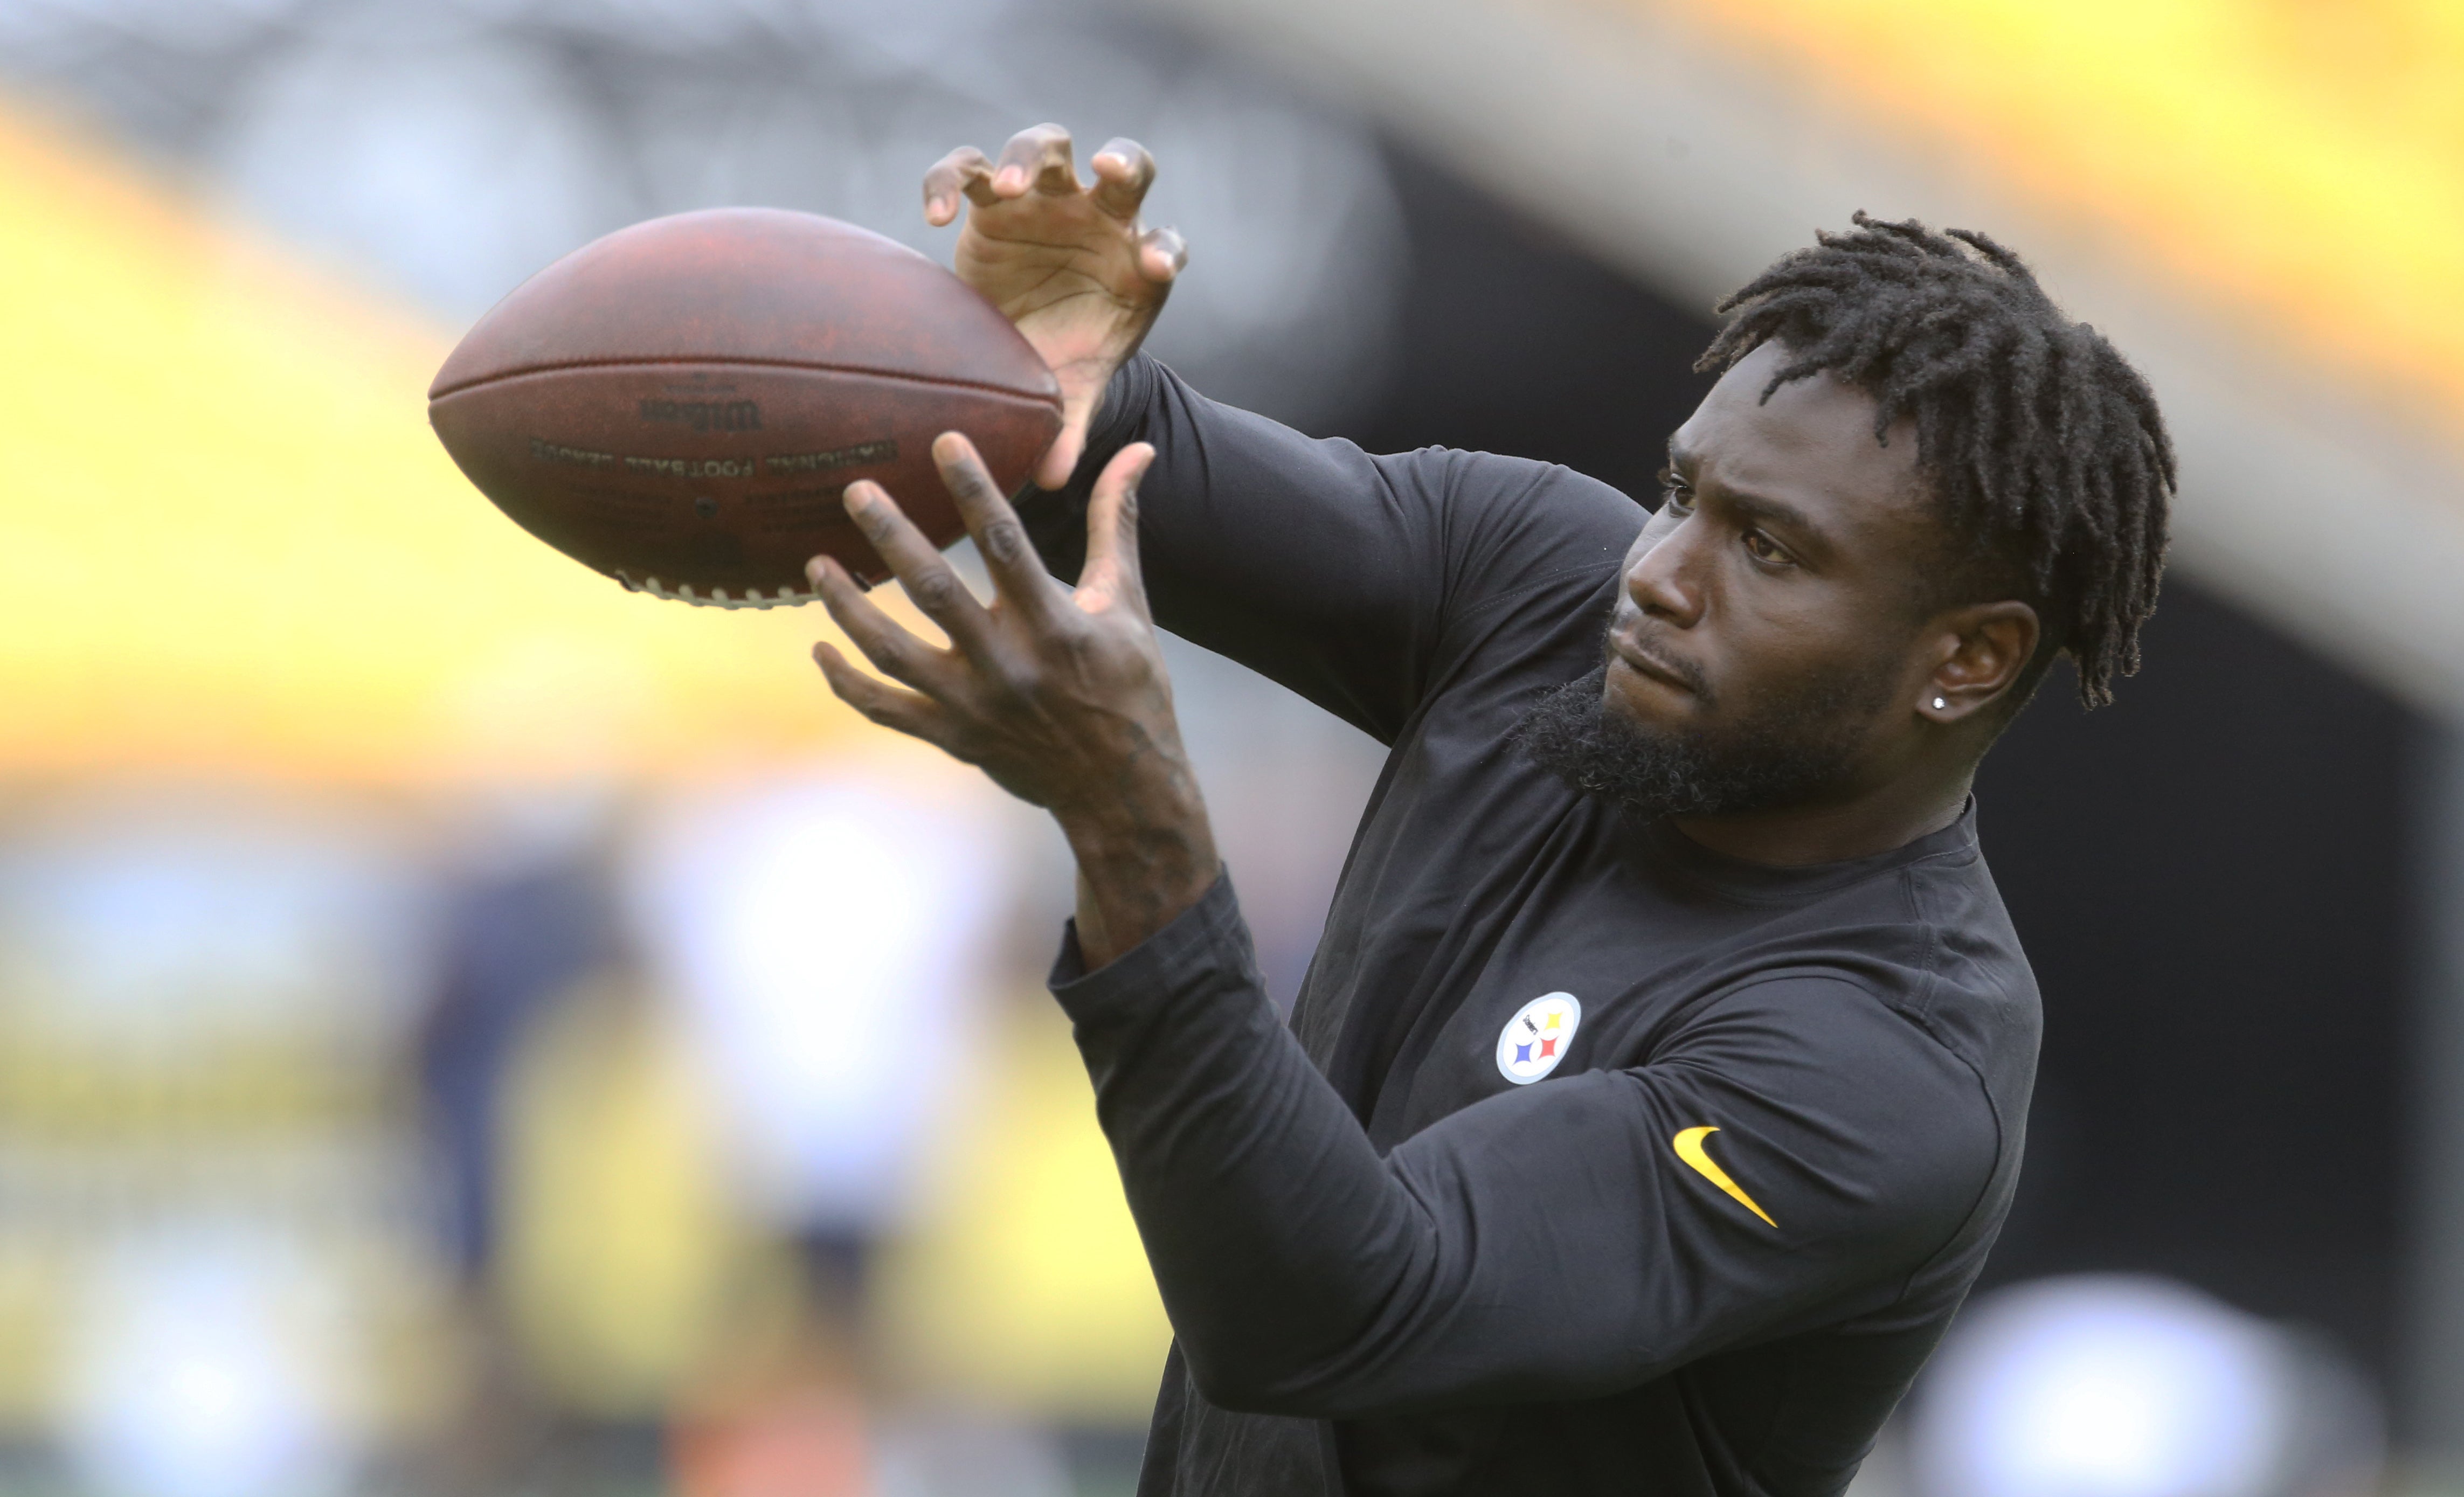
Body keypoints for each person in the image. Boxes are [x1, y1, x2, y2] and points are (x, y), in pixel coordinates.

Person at [800, 124, 2174, 1496]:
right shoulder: (1542, 590)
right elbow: (1120, 465)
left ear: (1968, 659)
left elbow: (1338, 1314)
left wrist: (1130, 823)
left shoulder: (1882, 1063)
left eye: (1767, 549)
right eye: (1680, 494)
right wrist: (1028, 376)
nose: (1658, 575)